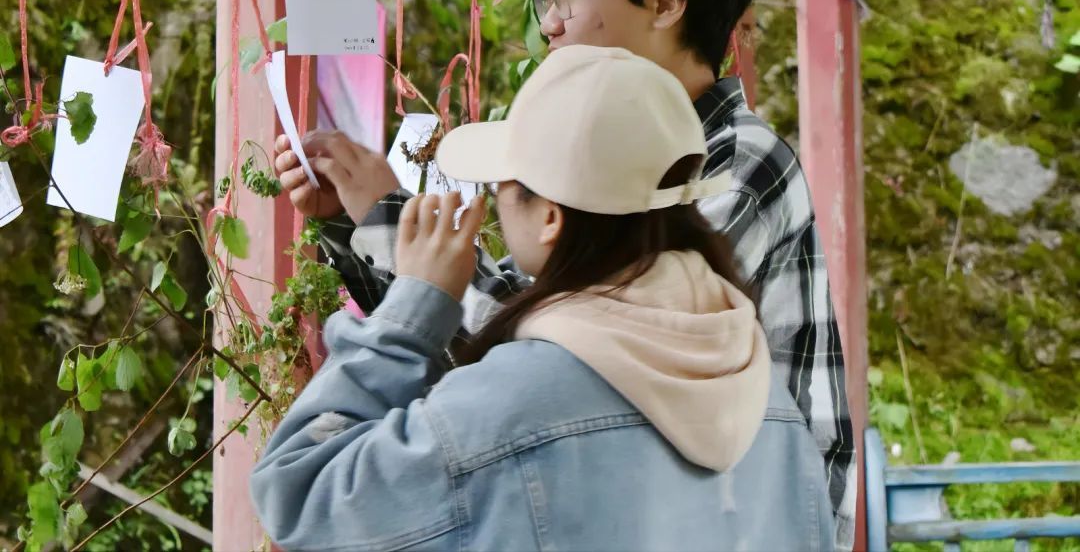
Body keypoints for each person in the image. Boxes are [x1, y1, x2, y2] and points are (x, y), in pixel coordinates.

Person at [275, 0, 856, 548]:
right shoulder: (638, 152)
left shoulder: (732, 164)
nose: (549, 21)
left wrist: (395, 236)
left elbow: (550, 351)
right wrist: (364, 223)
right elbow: (548, 328)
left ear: (664, 2)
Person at [252, 45, 835, 552]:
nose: (494, 200)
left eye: (503, 184)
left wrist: (412, 311)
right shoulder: (771, 407)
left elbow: (301, 492)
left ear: (551, 216)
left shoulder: (512, 399)